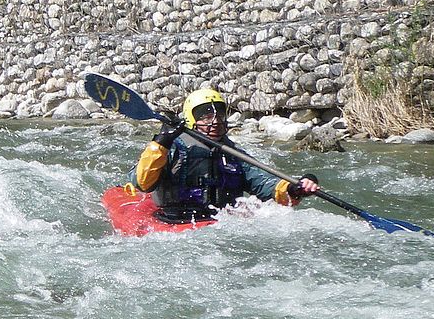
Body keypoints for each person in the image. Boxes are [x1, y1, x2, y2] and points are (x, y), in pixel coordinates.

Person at [135, 87, 320, 221]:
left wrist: (293, 189)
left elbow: (264, 182)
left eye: (219, 115)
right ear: (191, 119)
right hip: (174, 220)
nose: (214, 121)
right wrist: (161, 142)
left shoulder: (233, 154)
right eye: (205, 115)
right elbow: (142, 183)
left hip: (221, 223)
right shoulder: (172, 147)